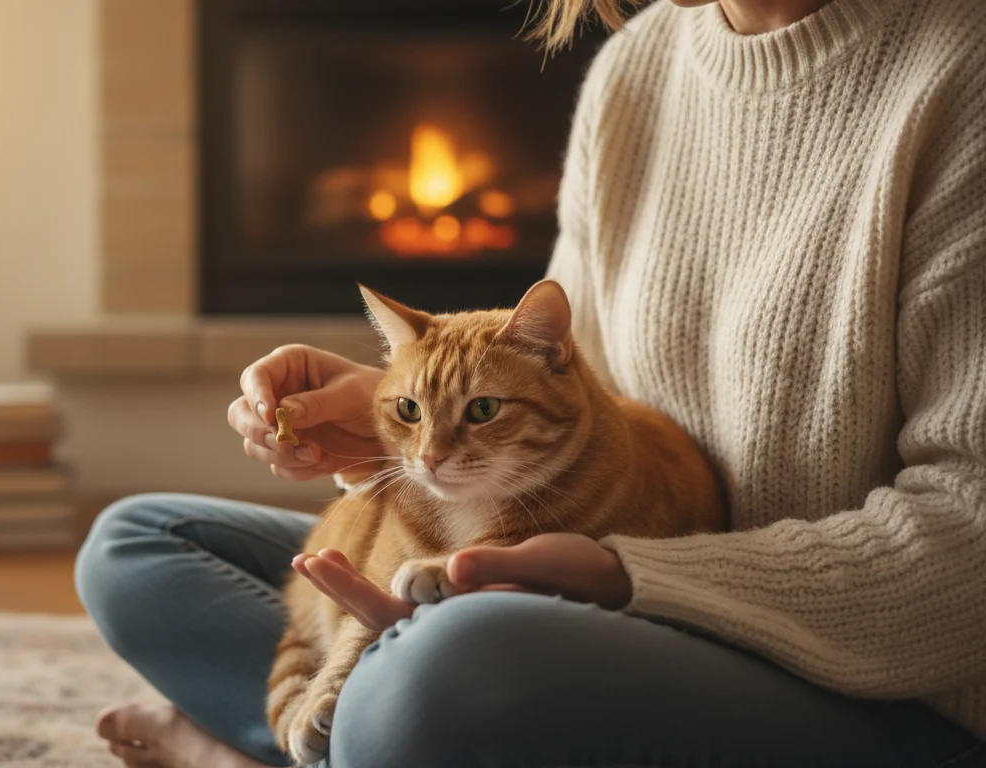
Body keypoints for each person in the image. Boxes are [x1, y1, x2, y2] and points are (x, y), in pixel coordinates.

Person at [75, 0, 986, 763]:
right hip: (584, 593)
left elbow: (970, 537)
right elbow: (571, 374)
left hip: (877, 687)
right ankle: (333, 739)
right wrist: (397, 411)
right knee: (140, 545)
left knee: (438, 677)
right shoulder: (638, 66)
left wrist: (624, 577)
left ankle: (276, 742)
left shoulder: (961, 71)